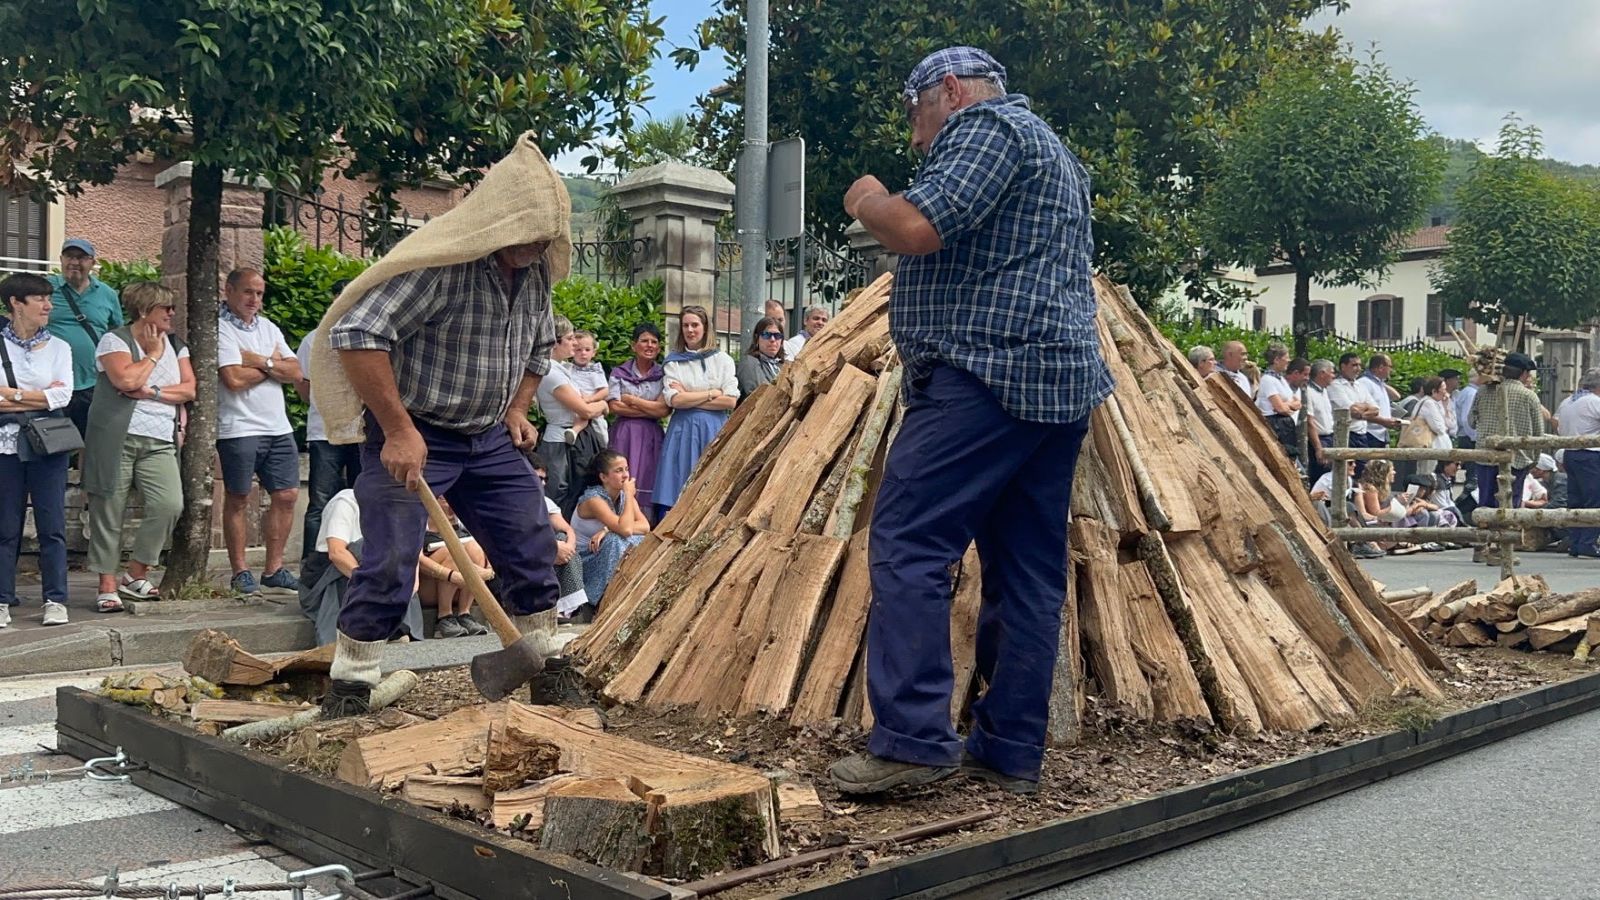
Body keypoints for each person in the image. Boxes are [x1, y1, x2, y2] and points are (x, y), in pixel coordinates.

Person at [828, 47, 1112, 796]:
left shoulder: (985, 128)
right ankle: (1009, 750)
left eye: (917, 116)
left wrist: (865, 197)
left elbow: (917, 226)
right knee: (1026, 570)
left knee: (909, 542)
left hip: (986, 374)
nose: (918, 138)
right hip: (1056, 385)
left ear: (948, 91)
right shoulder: (1052, 149)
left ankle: (913, 744)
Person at [311, 132, 570, 716]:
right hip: (419, 433)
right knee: (391, 561)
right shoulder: (443, 268)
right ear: (500, 220)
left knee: (532, 544)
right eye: (525, 232)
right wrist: (399, 432)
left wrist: (517, 407)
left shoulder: (535, 279)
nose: (534, 244)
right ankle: (351, 685)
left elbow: (540, 349)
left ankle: (547, 664)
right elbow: (357, 335)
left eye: (543, 236)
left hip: (489, 438)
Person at [82, 282, 194, 613]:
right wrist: (153, 356)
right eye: (165, 308)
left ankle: (136, 572)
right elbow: (125, 380)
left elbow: (189, 389)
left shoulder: (177, 343)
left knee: (169, 504)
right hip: (116, 436)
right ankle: (106, 583)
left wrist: (153, 393)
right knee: (108, 508)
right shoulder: (114, 340)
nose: (172, 313)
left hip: (160, 438)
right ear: (145, 310)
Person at [216, 268, 303, 595]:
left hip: (278, 427)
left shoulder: (268, 328)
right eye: (248, 292)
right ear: (229, 290)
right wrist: (273, 367)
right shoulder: (220, 329)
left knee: (286, 495)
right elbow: (233, 380)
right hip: (238, 427)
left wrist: (257, 361)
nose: (255, 300)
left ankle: (274, 569)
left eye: (260, 294)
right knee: (238, 498)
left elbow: (295, 371)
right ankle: (240, 571)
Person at [0, 273, 73, 628]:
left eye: (49, 298)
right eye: (40, 299)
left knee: (52, 527)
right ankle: (1, 600)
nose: (48, 305)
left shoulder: (60, 347)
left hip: (48, 446)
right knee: (5, 527)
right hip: (6, 447)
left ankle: (55, 600)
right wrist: (38, 398)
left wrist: (11, 396)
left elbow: (62, 397)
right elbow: (49, 397)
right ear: (16, 303)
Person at [298, 488, 425, 646]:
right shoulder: (346, 501)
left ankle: (399, 630)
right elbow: (336, 553)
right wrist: (370, 581)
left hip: (377, 574)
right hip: (331, 574)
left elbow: (411, 549)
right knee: (369, 547)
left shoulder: (402, 506)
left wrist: (411, 579)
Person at [297, 280, 363, 562]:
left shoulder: (365, 336)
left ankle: (361, 558)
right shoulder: (313, 339)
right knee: (320, 502)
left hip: (361, 432)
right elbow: (304, 387)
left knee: (365, 499)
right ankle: (313, 567)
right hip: (324, 433)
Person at [654, 305, 739, 518]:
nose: (690, 330)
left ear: (705, 327)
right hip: (683, 431)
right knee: (678, 481)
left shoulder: (723, 360)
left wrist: (689, 397)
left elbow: (730, 400)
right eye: (685, 325)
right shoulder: (674, 362)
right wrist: (712, 393)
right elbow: (675, 400)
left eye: (695, 325)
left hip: (714, 429)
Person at [1468, 352, 1545, 565]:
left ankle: (1480, 546)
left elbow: (1471, 421)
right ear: (1523, 374)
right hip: (1516, 458)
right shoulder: (1528, 396)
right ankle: (1501, 549)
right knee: (1509, 503)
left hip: (1486, 455)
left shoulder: (1483, 391)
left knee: (1485, 502)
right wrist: (1534, 459)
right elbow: (1538, 432)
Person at [46, 238, 123, 439]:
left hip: (92, 381)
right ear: (61, 259)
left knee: (91, 441)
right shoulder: (45, 288)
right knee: (53, 441)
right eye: (69, 256)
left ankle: (86, 472)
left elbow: (116, 334)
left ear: (92, 262)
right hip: (51, 381)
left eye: (81, 257)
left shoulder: (107, 294)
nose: (74, 262)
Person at [535, 317, 609, 515]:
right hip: (559, 440)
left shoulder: (562, 369)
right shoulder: (551, 372)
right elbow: (585, 410)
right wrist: (602, 403)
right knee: (558, 491)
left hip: (574, 438)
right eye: (569, 338)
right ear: (554, 342)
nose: (575, 343)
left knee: (577, 490)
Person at [572, 450, 651, 605]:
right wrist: (629, 495)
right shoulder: (593, 499)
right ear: (603, 477)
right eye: (618, 471)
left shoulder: (622, 496)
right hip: (586, 558)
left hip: (606, 553)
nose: (626, 475)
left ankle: (634, 589)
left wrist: (606, 530)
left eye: (627, 469)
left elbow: (645, 526)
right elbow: (626, 529)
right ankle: (604, 598)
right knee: (616, 539)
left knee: (642, 540)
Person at [607, 324, 668, 519]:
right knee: (622, 475)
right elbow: (614, 407)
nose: (649, 345)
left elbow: (663, 410)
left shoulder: (663, 375)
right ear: (634, 345)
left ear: (658, 348)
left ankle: (645, 525)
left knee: (648, 477)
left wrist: (632, 401)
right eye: (644, 341)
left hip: (651, 437)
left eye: (654, 342)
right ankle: (617, 522)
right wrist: (649, 408)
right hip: (624, 434)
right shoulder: (619, 372)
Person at [524, 451, 590, 621]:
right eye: (538, 478)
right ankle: (562, 608)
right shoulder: (513, 501)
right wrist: (551, 547)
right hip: (524, 550)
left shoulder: (546, 502)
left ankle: (564, 609)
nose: (543, 483)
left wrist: (568, 547)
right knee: (556, 544)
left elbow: (568, 530)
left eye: (544, 479)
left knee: (563, 539)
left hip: (548, 551)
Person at [418, 497, 492, 638]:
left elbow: (488, 548)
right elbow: (418, 560)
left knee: (474, 548)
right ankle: (444, 616)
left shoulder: (463, 519)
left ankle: (465, 612)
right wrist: (451, 575)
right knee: (452, 550)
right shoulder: (420, 522)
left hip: (464, 585)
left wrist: (488, 571)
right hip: (431, 584)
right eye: (444, 499)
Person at [1556, 370, 1600, 558]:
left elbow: (1557, 425)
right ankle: (1587, 542)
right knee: (1594, 498)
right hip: (1590, 455)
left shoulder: (1567, 402)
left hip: (1570, 453)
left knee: (1575, 499)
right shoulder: (1594, 402)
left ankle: (1575, 541)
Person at [563, 330, 610, 446]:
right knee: (580, 416)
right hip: (575, 405)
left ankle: (604, 447)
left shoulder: (595, 369)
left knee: (602, 434)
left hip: (591, 403)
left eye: (587, 350)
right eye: (578, 350)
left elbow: (604, 390)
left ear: (594, 352)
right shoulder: (568, 367)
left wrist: (590, 399)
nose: (583, 353)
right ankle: (574, 432)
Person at [1255, 344, 1301, 460]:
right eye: (1286, 357)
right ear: (1276, 360)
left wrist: (1287, 405)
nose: (1288, 361)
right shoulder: (1268, 380)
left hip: (1286, 424)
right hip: (1276, 425)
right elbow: (1280, 408)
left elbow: (1297, 402)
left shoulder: (1281, 380)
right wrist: (1288, 406)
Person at [737, 315, 786, 397]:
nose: (773, 340)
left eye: (777, 336)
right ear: (757, 338)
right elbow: (760, 394)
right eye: (767, 335)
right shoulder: (749, 362)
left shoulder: (784, 365)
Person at [1413, 376, 1453, 476]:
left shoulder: (1436, 404)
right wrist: (1445, 427)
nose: (1445, 392)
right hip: (1431, 446)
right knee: (1427, 477)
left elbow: (1451, 425)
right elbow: (1439, 428)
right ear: (1434, 391)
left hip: (1439, 448)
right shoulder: (1428, 403)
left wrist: (1445, 405)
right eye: (1443, 389)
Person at [1305, 359, 1336, 485]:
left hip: (1329, 437)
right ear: (1322, 373)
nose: (1334, 376)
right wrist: (1318, 448)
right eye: (1332, 373)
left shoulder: (1324, 392)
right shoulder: (1308, 392)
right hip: (1319, 439)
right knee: (1319, 477)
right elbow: (1309, 421)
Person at [1453, 370, 1479, 448]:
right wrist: (1474, 437)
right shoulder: (1471, 393)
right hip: (1468, 437)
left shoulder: (1467, 391)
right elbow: (1466, 419)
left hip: (1466, 436)